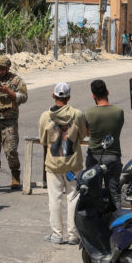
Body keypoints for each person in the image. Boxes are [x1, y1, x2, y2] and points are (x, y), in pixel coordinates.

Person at [37, 82, 88, 244]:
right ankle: (74, 235)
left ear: (54, 96)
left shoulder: (46, 116)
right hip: (73, 164)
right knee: (73, 197)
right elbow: (81, 137)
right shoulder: (77, 114)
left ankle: (57, 234)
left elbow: (43, 140)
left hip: (53, 164)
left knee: (55, 199)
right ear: (68, 97)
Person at [0, 55, 28, 190]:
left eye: (3, 69)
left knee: (10, 151)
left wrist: (8, 91)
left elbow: (23, 97)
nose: (1, 72)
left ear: (8, 68)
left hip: (9, 121)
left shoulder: (16, 80)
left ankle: (15, 177)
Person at [84, 79, 125, 208]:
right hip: (113, 157)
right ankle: (117, 223)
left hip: (94, 157)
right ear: (107, 91)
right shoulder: (118, 111)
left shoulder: (89, 113)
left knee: (93, 192)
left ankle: (96, 223)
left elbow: (87, 134)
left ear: (93, 95)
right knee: (114, 192)